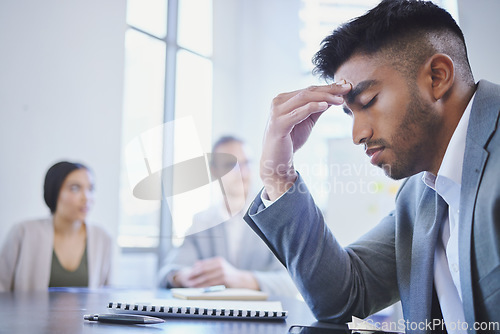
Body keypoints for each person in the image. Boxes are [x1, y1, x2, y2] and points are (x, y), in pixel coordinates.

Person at [244, 1, 500, 333]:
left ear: (437, 77)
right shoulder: (419, 196)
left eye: (368, 102)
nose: (358, 134)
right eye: (350, 114)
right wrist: (277, 175)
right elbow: (344, 297)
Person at [158, 136, 298, 297]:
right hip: (212, 318)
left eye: (246, 164)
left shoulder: (276, 219)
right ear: (214, 171)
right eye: (231, 165)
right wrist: (185, 277)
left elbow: (294, 282)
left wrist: (240, 279)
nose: (242, 173)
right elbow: (167, 273)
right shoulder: (201, 222)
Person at [0, 161, 113, 291]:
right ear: (54, 191)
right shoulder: (23, 232)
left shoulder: (103, 238)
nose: (86, 198)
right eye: (75, 188)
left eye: (91, 189)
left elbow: (107, 294)